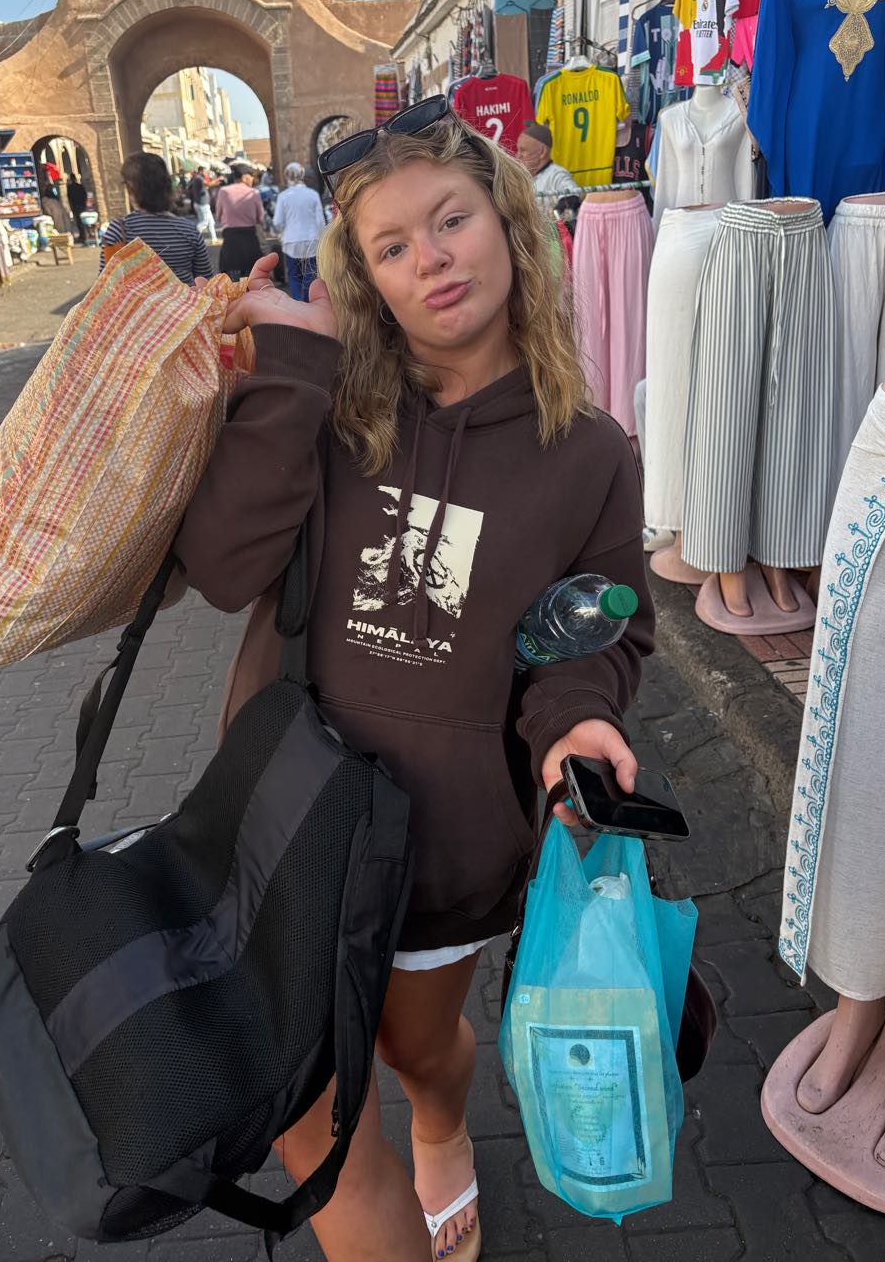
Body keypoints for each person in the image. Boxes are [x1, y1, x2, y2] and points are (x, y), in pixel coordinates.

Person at [175, 99, 653, 1261]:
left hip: (447, 840)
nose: (430, 259)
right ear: (366, 279)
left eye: (451, 220)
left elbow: (592, 633)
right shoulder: (327, 408)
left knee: (414, 1048)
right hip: (288, 818)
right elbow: (222, 570)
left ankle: (442, 1124)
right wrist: (291, 370)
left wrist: (575, 726)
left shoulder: (591, 453)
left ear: (510, 223)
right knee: (309, 1117)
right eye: (391, 247)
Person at [100, 152, 213, 286]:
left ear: (130, 188)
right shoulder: (188, 230)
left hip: (135, 301)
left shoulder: (118, 230)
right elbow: (207, 283)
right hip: (185, 299)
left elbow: (105, 286)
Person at [272, 161, 327, 301]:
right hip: (311, 240)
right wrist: (321, 238)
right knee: (310, 274)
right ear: (302, 175)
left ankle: (298, 302)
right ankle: (308, 301)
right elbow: (320, 221)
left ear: (287, 176)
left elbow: (277, 222)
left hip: (291, 241)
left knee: (294, 275)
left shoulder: (283, 196)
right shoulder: (312, 194)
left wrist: (282, 233)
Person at [213, 162, 265, 279]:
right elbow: (260, 218)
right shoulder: (253, 193)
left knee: (233, 282)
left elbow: (218, 216)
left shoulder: (223, 191)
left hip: (231, 241)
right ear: (244, 177)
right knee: (253, 279)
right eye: (251, 176)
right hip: (250, 240)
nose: (252, 179)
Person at [516, 121, 575, 201]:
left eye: (523, 150)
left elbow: (572, 197)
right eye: (518, 150)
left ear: (542, 152)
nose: (518, 156)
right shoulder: (520, 179)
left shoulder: (557, 175)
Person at [189, 166, 217, 242]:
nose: (206, 173)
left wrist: (214, 182)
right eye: (205, 171)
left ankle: (214, 239)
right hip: (202, 204)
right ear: (201, 171)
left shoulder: (198, 178)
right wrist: (217, 179)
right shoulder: (199, 178)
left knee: (211, 222)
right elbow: (208, 184)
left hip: (202, 203)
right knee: (204, 222)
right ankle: (193, 236)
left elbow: (206, 186)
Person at [66, 174, 89, 242]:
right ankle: (87, 234)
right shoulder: (80, 186)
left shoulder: (70, 187)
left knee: (79, 221)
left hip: (76, 206)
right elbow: (85, 195)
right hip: (82, 205)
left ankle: (83, 236)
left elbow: (69, 198)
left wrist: (71, 207)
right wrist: (84, 203)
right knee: (84, 220)